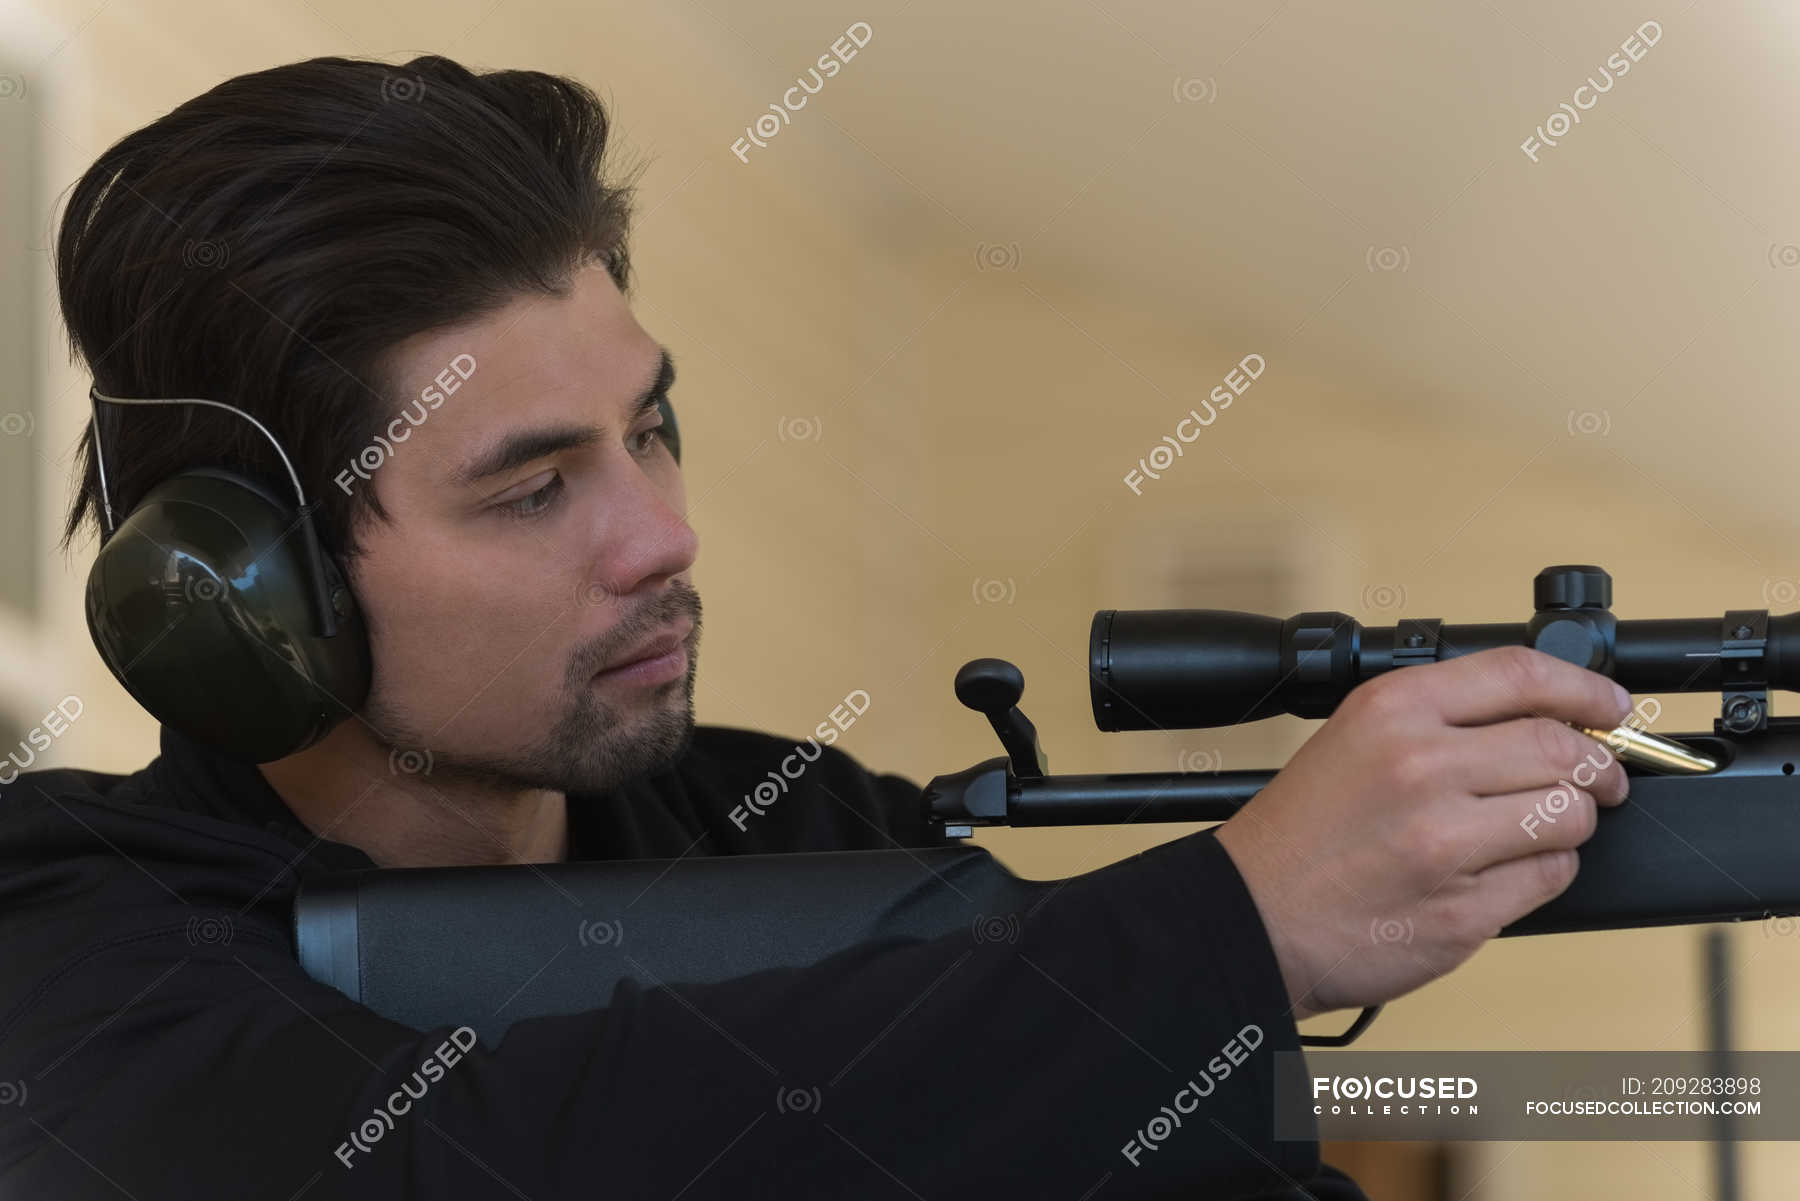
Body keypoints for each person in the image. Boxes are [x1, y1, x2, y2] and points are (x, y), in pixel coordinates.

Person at [0, 54, 1632, 1200]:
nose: (665, 533)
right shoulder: (70, 931)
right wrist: (1231, 928)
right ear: (251, 588)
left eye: (650, 429)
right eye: (531, 489)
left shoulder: (803, 831)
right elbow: (464, 1158)